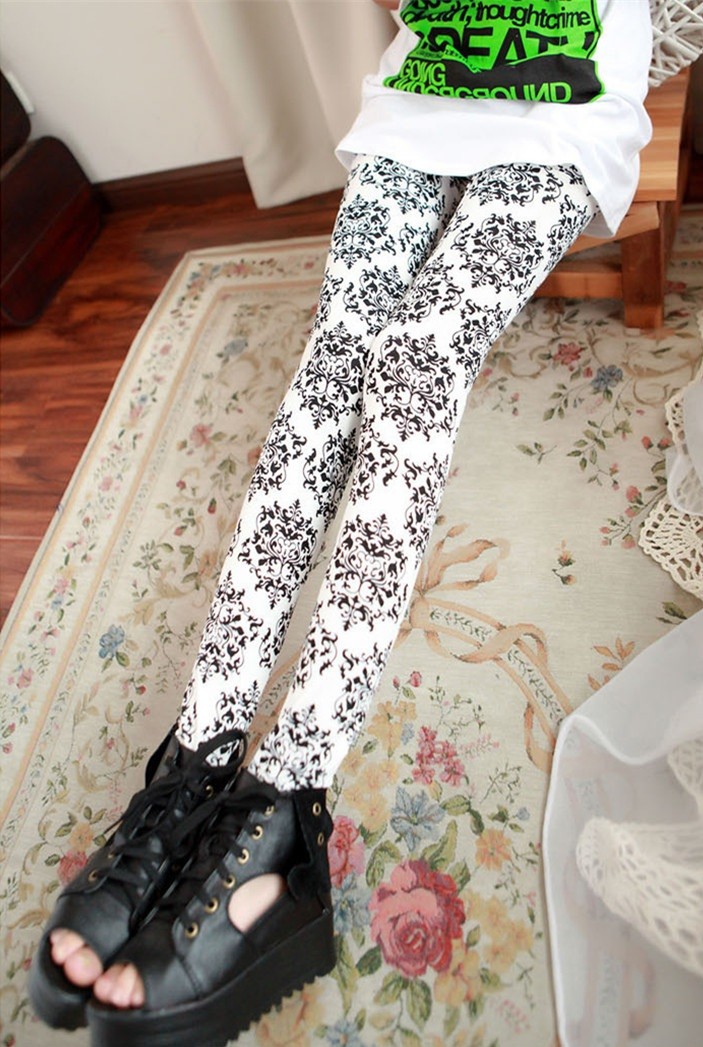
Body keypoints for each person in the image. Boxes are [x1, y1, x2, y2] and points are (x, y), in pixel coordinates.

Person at [29, 2, 654, 1045]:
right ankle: (196, 763)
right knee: (329, 370)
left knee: (415, 364)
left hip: (568, 88)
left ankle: (283, 806)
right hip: (434, 78)